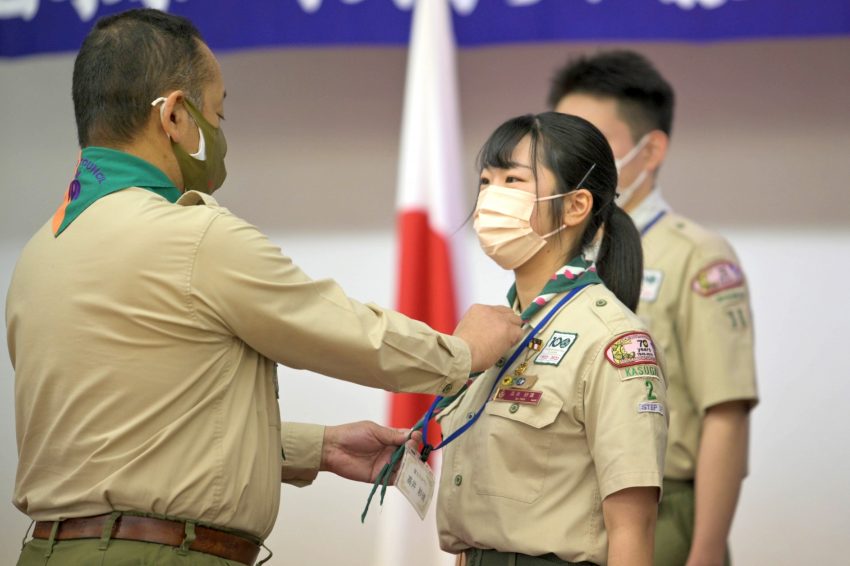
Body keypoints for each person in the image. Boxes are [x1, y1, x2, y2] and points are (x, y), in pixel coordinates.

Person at [4, 9, 523, 566]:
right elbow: (339, 330)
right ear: (175, 115)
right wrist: (460, 352)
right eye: (218, 114)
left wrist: (317, 448)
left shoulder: (42, 253)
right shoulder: (192, 235)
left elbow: (131, 435)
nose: (221, 135)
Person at [548, 50, 758, 566]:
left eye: (596, 140)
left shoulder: (697, 256)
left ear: (651, 149)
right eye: (565, 139)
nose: (576, 157)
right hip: (565, 513)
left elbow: (725, 412)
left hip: (662, 512)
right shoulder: (555, 255)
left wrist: (705, 550)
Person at [430, 112, 668, 566]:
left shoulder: (612, 340)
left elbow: (632, 529)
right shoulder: (497, 332)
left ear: (576, 206)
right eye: (485, 181)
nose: (490, 197)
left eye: (512, 180)